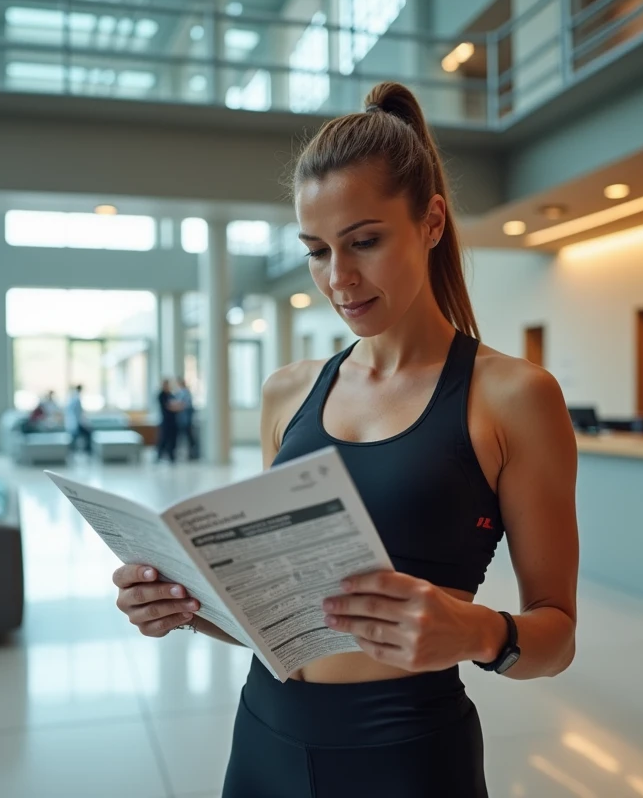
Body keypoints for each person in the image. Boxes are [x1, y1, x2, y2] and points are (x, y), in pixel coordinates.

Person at [110, 82, 579, 796]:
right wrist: (186, 609)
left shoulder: (512, 398)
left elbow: (557, 638)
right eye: (317, 250)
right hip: (265, 734)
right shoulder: (288, 392)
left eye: (364, 241)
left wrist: (480, 632)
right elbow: (283, 619)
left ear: (430, 222)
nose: (339, 277)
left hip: (408, 753)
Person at [154, 379, 181, 462]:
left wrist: (176, 407)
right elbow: (169, 406)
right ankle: (159, 455)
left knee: (173, 439)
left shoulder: (171, 395)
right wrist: (176, 407)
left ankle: (171, 456)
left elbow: (176, 405)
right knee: (163, 438)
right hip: (166, 420)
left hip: (173, 421)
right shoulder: (161, 395)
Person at [174, 377, 198, 461]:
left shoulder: (186, 393)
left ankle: (192, 454)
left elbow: (183, 405)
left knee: (189, 438)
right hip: (182, 420)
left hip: (186, 421)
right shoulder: (179, 393)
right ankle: (185, 454)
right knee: (182, 439)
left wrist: (173, 406)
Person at [65, 385, 93, 455]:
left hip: (72, 423)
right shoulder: (76, 399)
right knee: (88, 433)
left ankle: (74, 451)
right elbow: (79, 414)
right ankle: (87, 450)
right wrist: (86, 424)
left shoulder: (72, 398)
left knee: (74, 438)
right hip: (75, 423)